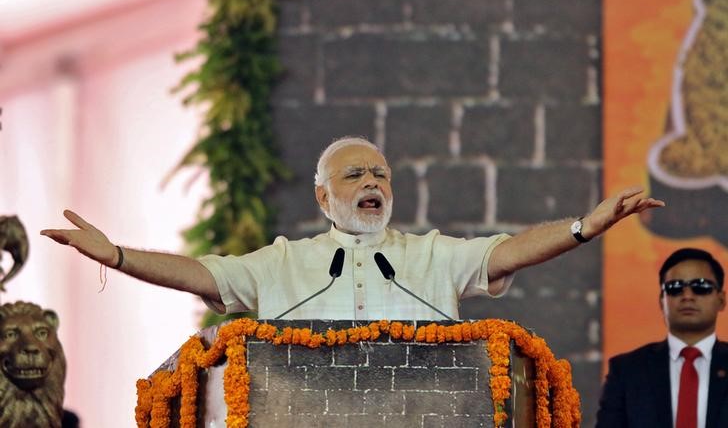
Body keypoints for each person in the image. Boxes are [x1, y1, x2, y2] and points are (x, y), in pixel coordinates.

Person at [41, 136, 664, 320]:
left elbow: (508, 253)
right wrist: (118, 255)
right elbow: (200, 273)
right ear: (322, 196)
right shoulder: (283, 264)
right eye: (355, 175)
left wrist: (585, 225)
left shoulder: (431, 258)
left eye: (381, 174)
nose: (373, 183)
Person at [595, 248, 728, 428]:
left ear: (721, 299)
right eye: (675, 288)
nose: (687, 296)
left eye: (700, 287)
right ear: (661, 300)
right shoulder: (627, 370)